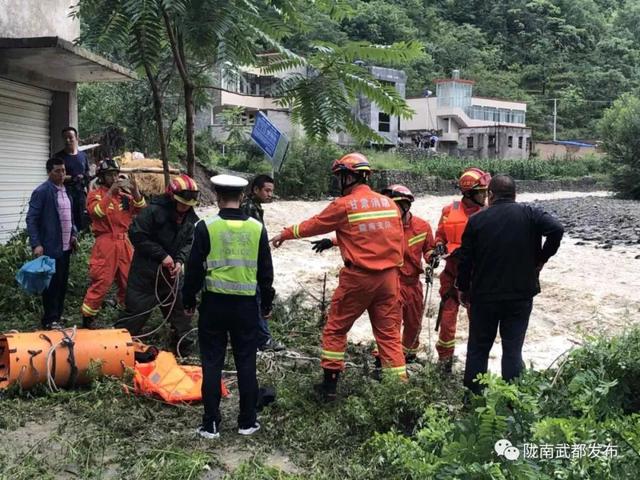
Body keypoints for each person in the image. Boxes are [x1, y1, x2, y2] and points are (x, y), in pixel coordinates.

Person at [271, 152, 406, 400]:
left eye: (340, 177)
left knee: (336, 329)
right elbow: (390, 239)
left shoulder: (344, 205)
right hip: (389, 279)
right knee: (388, 336)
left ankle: (329, 387)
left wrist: (285, 234)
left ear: (349, 177)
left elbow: (314, 224)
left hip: (359, 279)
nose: (338, 182)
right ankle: (399, 393)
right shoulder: (389, 204)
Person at [183, 174, 274, 439]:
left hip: (214, 305)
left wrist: (188, 300)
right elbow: (266, 271)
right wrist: (266, 303)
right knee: (246, 362)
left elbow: (193, 270)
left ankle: (210, 424)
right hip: (246, 306)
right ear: (242, 196)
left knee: (212, 363)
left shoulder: (205, 227)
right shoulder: (257, 228)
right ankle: (247, 422)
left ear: (218, 197)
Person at [456, 175, 564, 394]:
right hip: (520, 296)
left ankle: (474, 399)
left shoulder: (477, 220)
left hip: (484, 297)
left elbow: (465, 260)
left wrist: (463, 289)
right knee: (513, 350)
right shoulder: (530, 214)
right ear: (515, 195)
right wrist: (541, 258)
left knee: (478, 349)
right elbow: (557, 229)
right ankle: (513, 401)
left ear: (490, 195)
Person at [114, 174, 199, 354]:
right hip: (146, 273)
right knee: (136, 312)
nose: (185, 207)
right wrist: (162, 256)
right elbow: (137, 235)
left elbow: (188, 241)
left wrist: (179, 260)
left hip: (172, 275)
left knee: (180, 313)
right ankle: (116, 348)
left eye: (188, 204)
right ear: (172, 197)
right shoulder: (153, 211)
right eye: (182, 203)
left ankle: (182, 348)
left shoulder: (190, 218)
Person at [433, 167, 491, 373]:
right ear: (469, 193)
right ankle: (445, 361)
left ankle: (476, 366)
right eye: (482, 192)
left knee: (478, 323)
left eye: (486, 192)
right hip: (452, 275)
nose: (485, 196)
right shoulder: (449, 211)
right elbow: (440, 236)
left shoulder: (489, 214)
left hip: (477, 278)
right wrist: (439, 246)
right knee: (447, 321)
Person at [81, 159, 147, 329]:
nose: (114, 178)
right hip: (105, 243)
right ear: (102, 177)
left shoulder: (124, 197)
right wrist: (110, 192)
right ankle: (88, 319)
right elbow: (97, 212)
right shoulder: (95, 195)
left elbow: (142, 209)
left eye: (116, 174)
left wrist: (135, 191)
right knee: (101, 281)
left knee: (128, 281)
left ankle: (127, 316)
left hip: (124, 243)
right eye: (110, 174)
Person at [380, 185, 435, 362]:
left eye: (394, 205)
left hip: (413, 284)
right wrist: (334, 241)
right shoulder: (383, 227)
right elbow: (361, 239)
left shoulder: (422, 226)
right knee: (391, 324)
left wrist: (433, 257)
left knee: (414, 323)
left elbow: (428, 250)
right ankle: (385, 359)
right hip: (391, 283)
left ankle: (409, 355)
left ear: (406, 205)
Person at [26, 157, 78, 329]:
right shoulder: (42, 192)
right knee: (51, 285)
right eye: (57, 171)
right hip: (50, 246)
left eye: (63, 170)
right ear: (49, 172)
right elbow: (31, 219)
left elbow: (69, 217)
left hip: (65, 247)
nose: (62, 174)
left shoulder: (66, 191)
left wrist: (73, 234)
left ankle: (57, 317)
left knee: (62, 283)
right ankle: (50, 320)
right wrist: (36, 244)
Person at [241, 174, 283, 352]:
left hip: (247, 262)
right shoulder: (249, 208)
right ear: (255, 189)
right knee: (257, 299)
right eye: (266, 190)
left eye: (271, 191)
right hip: (250, 263)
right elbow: (253, 238)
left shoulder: (252, 206)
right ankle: (264, 340)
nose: (270, 194)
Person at [55, 127, 90, 231]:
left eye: (70, 137)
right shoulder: (58, 157)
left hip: (81, 196)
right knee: (67, 224)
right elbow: (56, 177)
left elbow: (87, 175)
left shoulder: (83, 156)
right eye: (65, 138)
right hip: (65, 195)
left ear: (76, 138)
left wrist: (89, 194)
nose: (68, 140)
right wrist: (73, 177)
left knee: (82, 224)